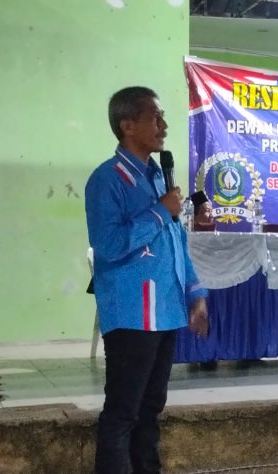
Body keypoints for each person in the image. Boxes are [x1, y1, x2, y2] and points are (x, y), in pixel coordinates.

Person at [85, 86, 209, 474]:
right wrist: (158, 211)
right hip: (132, 314)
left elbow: (175, 241)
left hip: (166, 311)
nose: (164, 126)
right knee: (123, 412)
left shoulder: (158, 177)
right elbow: (109, 245)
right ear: (128, 126)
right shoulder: (107, 180)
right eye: (156, 117)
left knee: (151, 409)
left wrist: (195, 292)